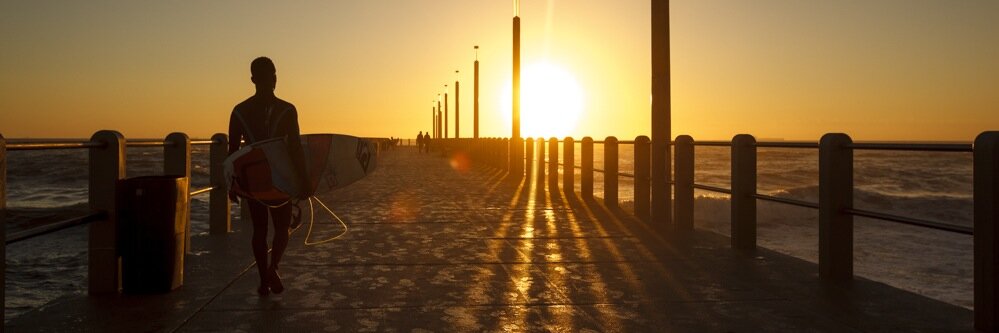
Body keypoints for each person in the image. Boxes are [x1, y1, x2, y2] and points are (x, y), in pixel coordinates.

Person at [227, 56, 309, 296]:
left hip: (254, 180)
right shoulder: (287, 110)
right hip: (280, 178)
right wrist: (303, 180)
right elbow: (294, 148)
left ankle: (264, 279)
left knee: (260, 229)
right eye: (270, 75)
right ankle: (273, 269)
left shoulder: (239, 111)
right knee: (282, 227)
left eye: (271, 75)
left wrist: (233, 185)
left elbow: (233, 154)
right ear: (270, 78)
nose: (272, 79)